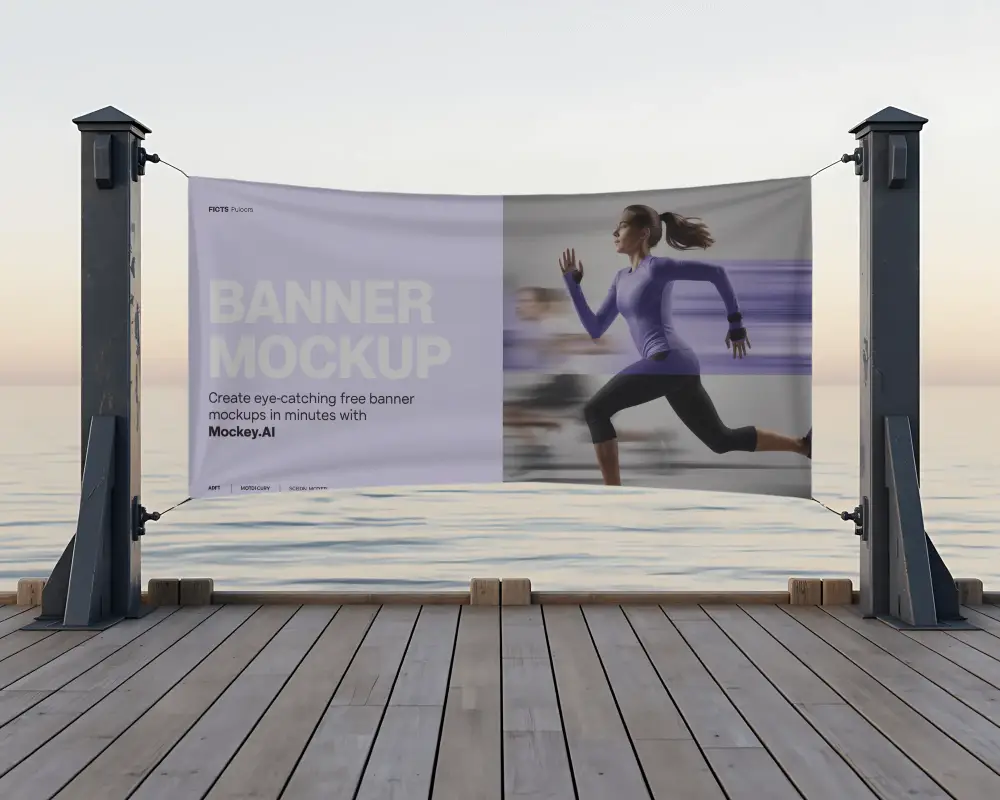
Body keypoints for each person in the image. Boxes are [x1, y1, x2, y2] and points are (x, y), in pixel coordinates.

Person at [559, 204, 811, 486]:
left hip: (668, 360)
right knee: (720, 440)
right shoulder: (620, 279)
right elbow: (595, 328)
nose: (615, 232)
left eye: (623, 225)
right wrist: (573, 287)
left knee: (595, 410)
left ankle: (613, 494)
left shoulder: (658, 268)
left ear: (643, 233)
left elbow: (716, 273)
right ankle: (802, 445)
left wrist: (736, 323)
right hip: (675, 367)